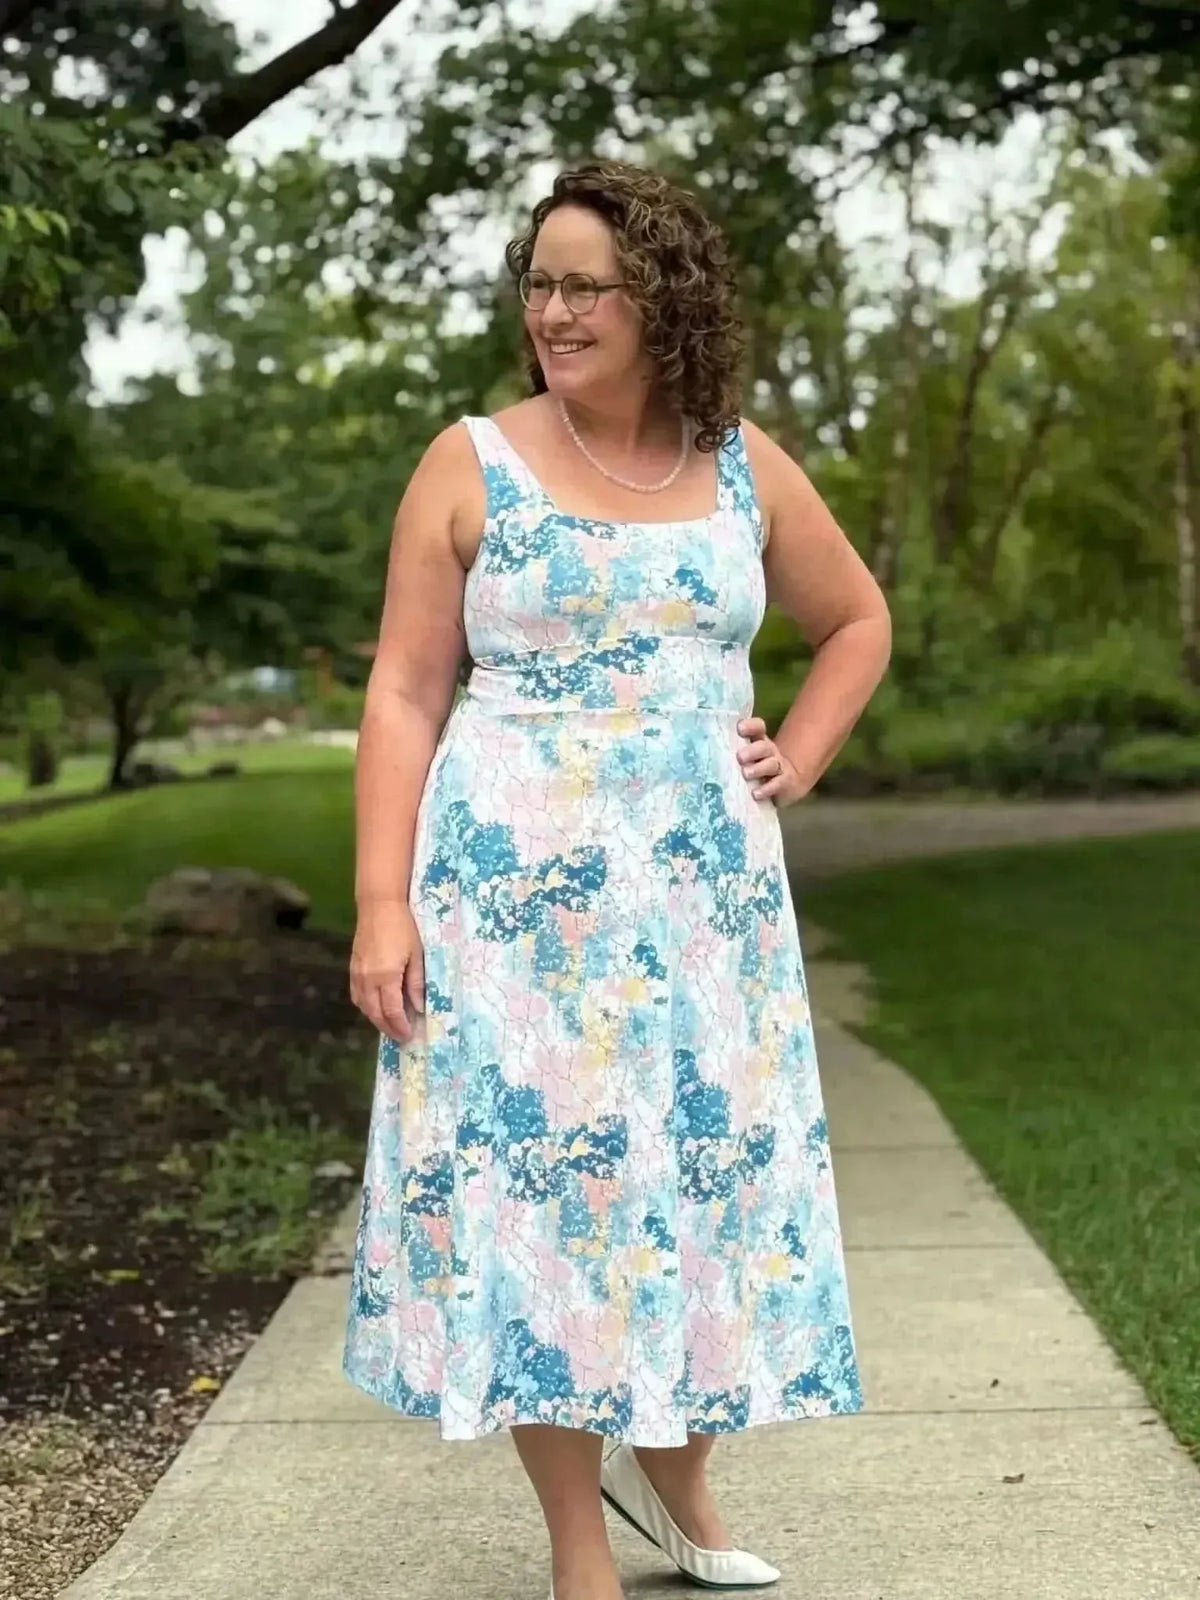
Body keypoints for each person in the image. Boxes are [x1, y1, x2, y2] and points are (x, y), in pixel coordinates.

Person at [343, 158, 892, 1600]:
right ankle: (581, 1548)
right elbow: (405, 688)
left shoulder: (740, 461)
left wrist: (804, 756)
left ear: (664, 299)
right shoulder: (472, 461)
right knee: (549, 1210)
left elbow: (857, 622)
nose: (556, 308)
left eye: (587, 282)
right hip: (515, 903)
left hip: (705, 908)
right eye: (540, 280)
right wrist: (381, 903)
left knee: (702, 1189)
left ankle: (690, 1496)